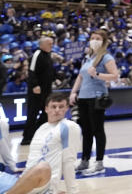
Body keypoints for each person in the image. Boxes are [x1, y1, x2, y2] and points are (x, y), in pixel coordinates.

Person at [0, 93, 80, 194]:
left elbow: (69, 162)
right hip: (23, 181)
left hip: (44, 182)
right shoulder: (41, 128)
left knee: (43, 167)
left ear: (67, 108)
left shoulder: (69, 126)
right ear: (46, 109)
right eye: (54, 106)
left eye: (61, 107)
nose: (57, 110)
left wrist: (73, 191)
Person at [68, 29, 118, 174]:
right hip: (83, 97)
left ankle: (99, 163)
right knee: (86, 131)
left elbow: (115, 76)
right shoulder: (87, 58)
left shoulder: (106, 57)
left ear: (103, 41)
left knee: (97, 130)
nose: (94, 40)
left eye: (98, 38)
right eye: (92, 37)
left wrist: (97, 74)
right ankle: (84, 161)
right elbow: (80, 76)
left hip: (97, 97)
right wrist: (73, 92)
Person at [20, 38, 53, 146]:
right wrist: (35, 85)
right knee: (33, 113)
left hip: (47, 90)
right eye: (49, 43)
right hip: (36, 91)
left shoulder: (48, 55)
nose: (51, 45)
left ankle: (37, 133)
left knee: (46, 113)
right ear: (42, 45)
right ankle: (27, 137)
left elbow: (48, 71)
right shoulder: (37, 54)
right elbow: (32, 71)